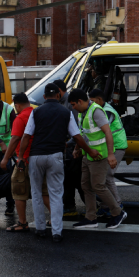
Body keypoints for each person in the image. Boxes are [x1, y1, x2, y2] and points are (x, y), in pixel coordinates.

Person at [18, 83, 98, 242]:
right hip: (55, 156)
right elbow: (77, 136)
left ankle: (40, 229)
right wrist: (90, 151)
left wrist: (20, 157)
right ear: (58, 95)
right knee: (55, 194)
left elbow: (26, 136)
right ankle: (57, 231)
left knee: (36, 193)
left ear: (44, 96)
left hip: (36, 156)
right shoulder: (66, 112)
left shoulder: (36, 112)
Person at [70, 89, 127, 230]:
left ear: (80, 101)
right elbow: (83, 134)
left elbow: (108, 132)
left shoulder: (96, 111)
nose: (73, 107)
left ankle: (118, 212)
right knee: (86, 186)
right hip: (88, 155)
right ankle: (91, 218)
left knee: (98, 186)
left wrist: (111, 155)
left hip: (99, 155)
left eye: (73, 104)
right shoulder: (82, 113)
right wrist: (77, 149)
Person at [0, 93, 51, 232]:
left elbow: (15, 138)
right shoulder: (38, 114)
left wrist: (5, 159)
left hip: (25, 160)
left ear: (17, 105)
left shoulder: (20, 118)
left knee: (18, 190)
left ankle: (22, 223)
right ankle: (54, 218)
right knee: (44, 191)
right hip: (41, 158)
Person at [88, 89, 127, 218]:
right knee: (103, 177)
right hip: (110, 146)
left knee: (108, 175)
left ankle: (117, 205)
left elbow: (104, 129)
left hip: (117, 146)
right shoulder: (100, 109)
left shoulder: (106, 111)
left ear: (99, 99)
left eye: (92, 101)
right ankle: (106, 206)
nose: (90, 103)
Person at [53, 79, 84, 216]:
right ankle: (70, 206)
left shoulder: (70, 104)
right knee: (69, 178)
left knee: (75, 178)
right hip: (68, 145)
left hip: (72, 146)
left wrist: (70, 144)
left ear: (59, 91)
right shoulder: (61, 103)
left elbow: (77, 129)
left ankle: (88, 206)